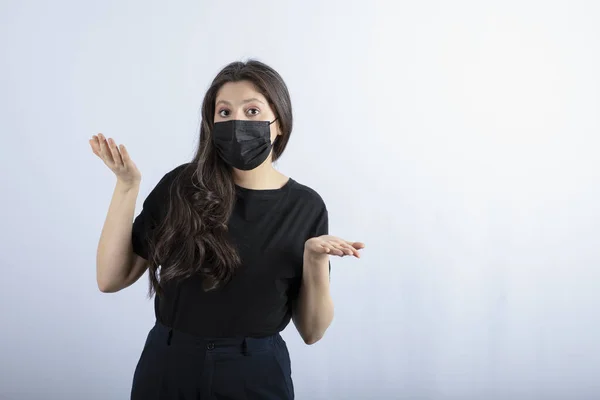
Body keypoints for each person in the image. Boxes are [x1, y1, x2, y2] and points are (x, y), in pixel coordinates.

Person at [89, 60, 365, 400]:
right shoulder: (181, 186)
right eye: (224, 112)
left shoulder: (305, 206)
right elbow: (110, 278)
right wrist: (127, 187)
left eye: (252, 111)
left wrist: (315, 260)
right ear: (211, 123)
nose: (237, 123)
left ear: (279, 123)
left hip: (256, 373)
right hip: (169, 365)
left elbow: (312, 331)